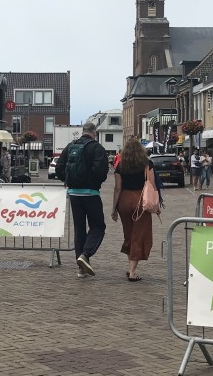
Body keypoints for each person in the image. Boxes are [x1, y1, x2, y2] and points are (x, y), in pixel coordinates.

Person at [55, 121, 109, 278]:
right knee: (98, 226)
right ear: (94, 133)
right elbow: (101, 171)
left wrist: (69, 181)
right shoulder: (96, 148)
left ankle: (81, 268)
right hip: (91, 194)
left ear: (83, 131)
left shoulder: (71, 146)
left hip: (74, 194)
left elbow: (59, 168)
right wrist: (93, 181)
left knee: (79, 229)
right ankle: (85, 254)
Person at [111, 138, 154, 282]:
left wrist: (114, 209)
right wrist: (155, 204)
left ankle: (130, 267)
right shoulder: (147, 164)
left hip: (124, 201)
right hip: (140, 200)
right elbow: (151, 184)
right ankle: (132, 272)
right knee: (139, 235)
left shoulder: (120, 165)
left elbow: (117, 188)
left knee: (129, 235)